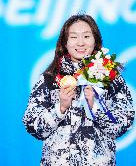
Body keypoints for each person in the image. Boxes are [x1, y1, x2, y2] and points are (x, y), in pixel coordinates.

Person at [23, 14, 135, 166]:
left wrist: (96, 107)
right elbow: (33, 127)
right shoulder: (49, 80)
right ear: (65, 42)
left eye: (87, 36)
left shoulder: (111, 78)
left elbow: (123, 125)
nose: (81, 43)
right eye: (74, 37)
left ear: (95, 40)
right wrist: (60, 108)